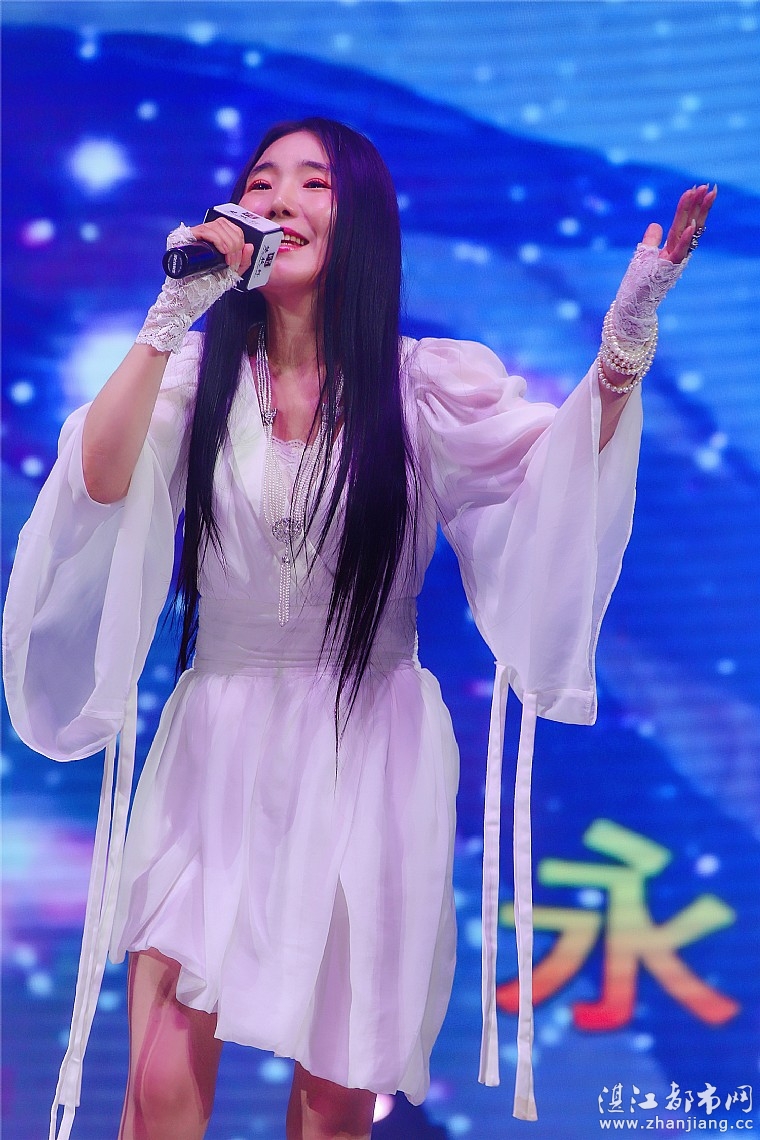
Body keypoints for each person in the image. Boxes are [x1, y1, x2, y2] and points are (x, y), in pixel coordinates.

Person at [2, 117, 715, 1140]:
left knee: (336, 1098)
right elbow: (99, 478)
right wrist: (172, 312)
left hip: (368, 743)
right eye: (262, 181)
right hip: (218, 742)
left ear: (363, 220)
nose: (281, 199)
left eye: (314, 183)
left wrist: (625, 337)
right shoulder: (196, 382)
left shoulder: (422, 386)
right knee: (158, 1081)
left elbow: (556, 476)